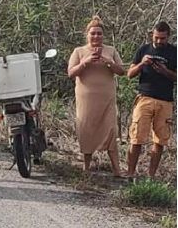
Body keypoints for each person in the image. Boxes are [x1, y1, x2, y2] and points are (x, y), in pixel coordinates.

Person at [67, 16, 125, 176]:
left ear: (103, 35)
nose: (96, 37)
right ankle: (86, 167)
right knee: (86, 129)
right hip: (86, 100)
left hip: (106, 100)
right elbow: (71, 73)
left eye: (99, 34)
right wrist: (85, 62)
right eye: (93, 34)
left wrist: (108, 62)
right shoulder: (79, 52)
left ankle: (117, 169)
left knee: (111, 130)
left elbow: (122, 71)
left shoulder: (111, 50)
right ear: (87, 34)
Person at [126, 21, 177, 179]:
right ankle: (130, 173)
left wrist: (164, 71)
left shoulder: (174, 52)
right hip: (145, 98)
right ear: (152, 35)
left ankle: (151, 175)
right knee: (137, 137)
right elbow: (129, 74)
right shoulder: (144, 49)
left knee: (160, 140)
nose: (159, 41)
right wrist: (142, 64)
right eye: (156, 37)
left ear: (168, 36)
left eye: (162, 38)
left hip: (165, 100)